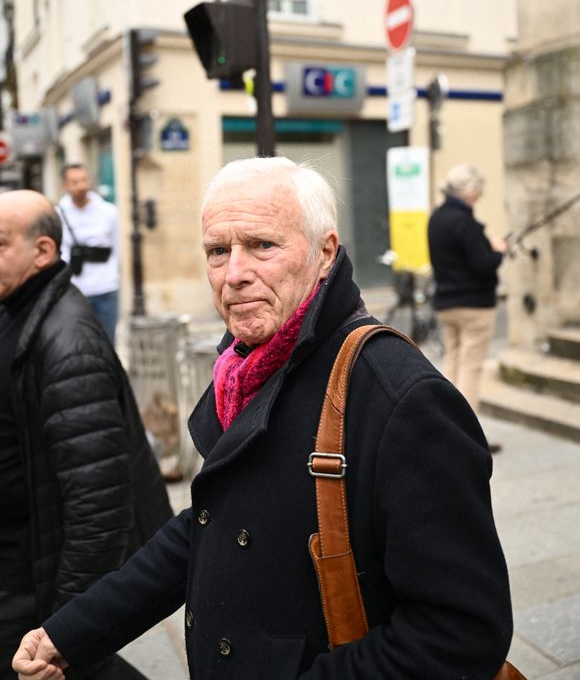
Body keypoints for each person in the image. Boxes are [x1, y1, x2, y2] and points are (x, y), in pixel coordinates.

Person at [14, 158, 513, 680]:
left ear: (325, 253)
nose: (234, 274)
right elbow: (211, 527)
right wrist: (69, 633)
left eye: (263, 245)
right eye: (217, 250)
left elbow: (460, 632)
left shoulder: (400, 397)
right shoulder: (246, 369)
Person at [0, 190, 173, 680]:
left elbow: (100, 504)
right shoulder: (17, 307)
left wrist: (69, 626)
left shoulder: (69, 343)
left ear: (42, 253)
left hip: (31, 572)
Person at [428, 164, 509, 417]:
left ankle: (446, 429)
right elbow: (482, 265)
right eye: (478, 193)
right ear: (469, 191)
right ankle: (468, 439)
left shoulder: (436, 218)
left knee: (451, 365)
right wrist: (498, 251)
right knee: (471, 370)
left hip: (445, 303)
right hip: (474, 305)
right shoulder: (465, 222)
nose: (478, 198)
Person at [57, 164, 120, 344]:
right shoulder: (58, 214)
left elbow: (117, 248)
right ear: (65, 185)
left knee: (108, 343)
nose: (81, 186)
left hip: (106, 288)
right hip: (74, 288)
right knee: (77, 342)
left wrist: (114, 275)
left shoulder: (108, 212)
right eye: (75, 182)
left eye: (84, 180)